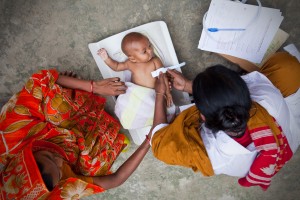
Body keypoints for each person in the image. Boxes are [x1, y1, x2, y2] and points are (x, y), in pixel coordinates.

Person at [150, 52, 300, 190]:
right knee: (288, 67)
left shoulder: (212, 155)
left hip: (279, 140)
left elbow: (158, 144)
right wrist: (189, 86)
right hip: (285, 136)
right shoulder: (266, 95)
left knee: (164, 146)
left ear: (201, 116)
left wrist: (160, 93)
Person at [0, 69, 152, 199]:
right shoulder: (58, 190)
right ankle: (73, 94)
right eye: (60, 174)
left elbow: (42, 78)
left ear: (27, 155)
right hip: (70, 142)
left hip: (46, 122)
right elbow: (115, 180)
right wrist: (148, 142)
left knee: (55, 107)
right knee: (93, 167)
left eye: (49, 157)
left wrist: (95, 86)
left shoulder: (12, 133)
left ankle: (66, 90)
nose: (60, 163)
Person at [98, 32, 173, 107]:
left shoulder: (155, 61)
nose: (150, 51)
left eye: (149, 46)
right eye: (144, 51)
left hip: (154, 94)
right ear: (133, 58)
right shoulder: (130, 63)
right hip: (137, 96)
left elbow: (163, 77)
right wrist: (106, 59)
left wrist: (168, 93)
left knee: (159, 107)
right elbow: (117, 67)